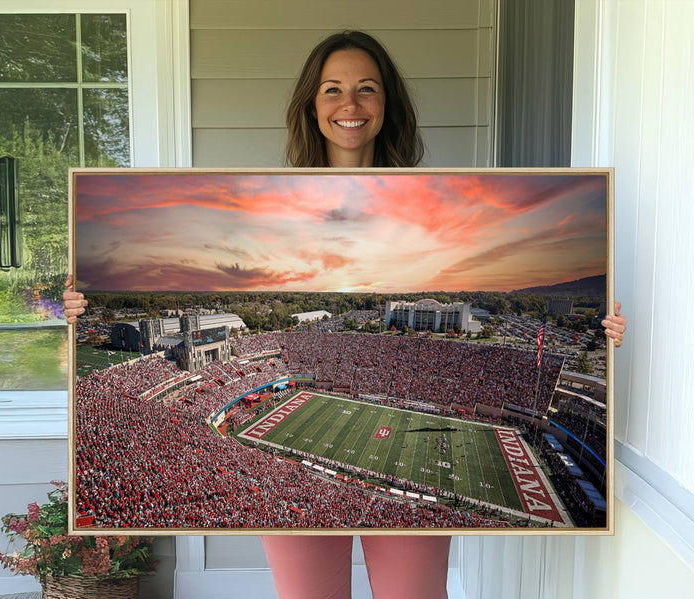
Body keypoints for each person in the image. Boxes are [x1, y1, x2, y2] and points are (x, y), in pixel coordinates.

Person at [63, 30, 627, 599]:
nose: (350, 105)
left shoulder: (430, 197)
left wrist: (605, 336)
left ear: (387, 104)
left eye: (367, 89)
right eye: (332, 89)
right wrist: (77, 305)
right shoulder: (270, 200)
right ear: (312, 104)